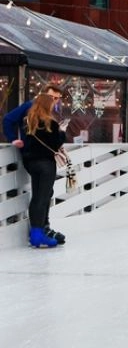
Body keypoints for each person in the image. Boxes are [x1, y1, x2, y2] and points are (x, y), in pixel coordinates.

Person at [4, 84, 67, 245]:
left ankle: (41, 229)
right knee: (42, 194)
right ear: (45, 97)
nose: (55, 101)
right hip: (43, 160)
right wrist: (12, 138)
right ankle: (40, 231)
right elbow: (8, 119)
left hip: (30, 158)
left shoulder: (31, 118)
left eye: (58, 99)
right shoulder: (39, 115)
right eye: (53, 98)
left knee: (42, 193)